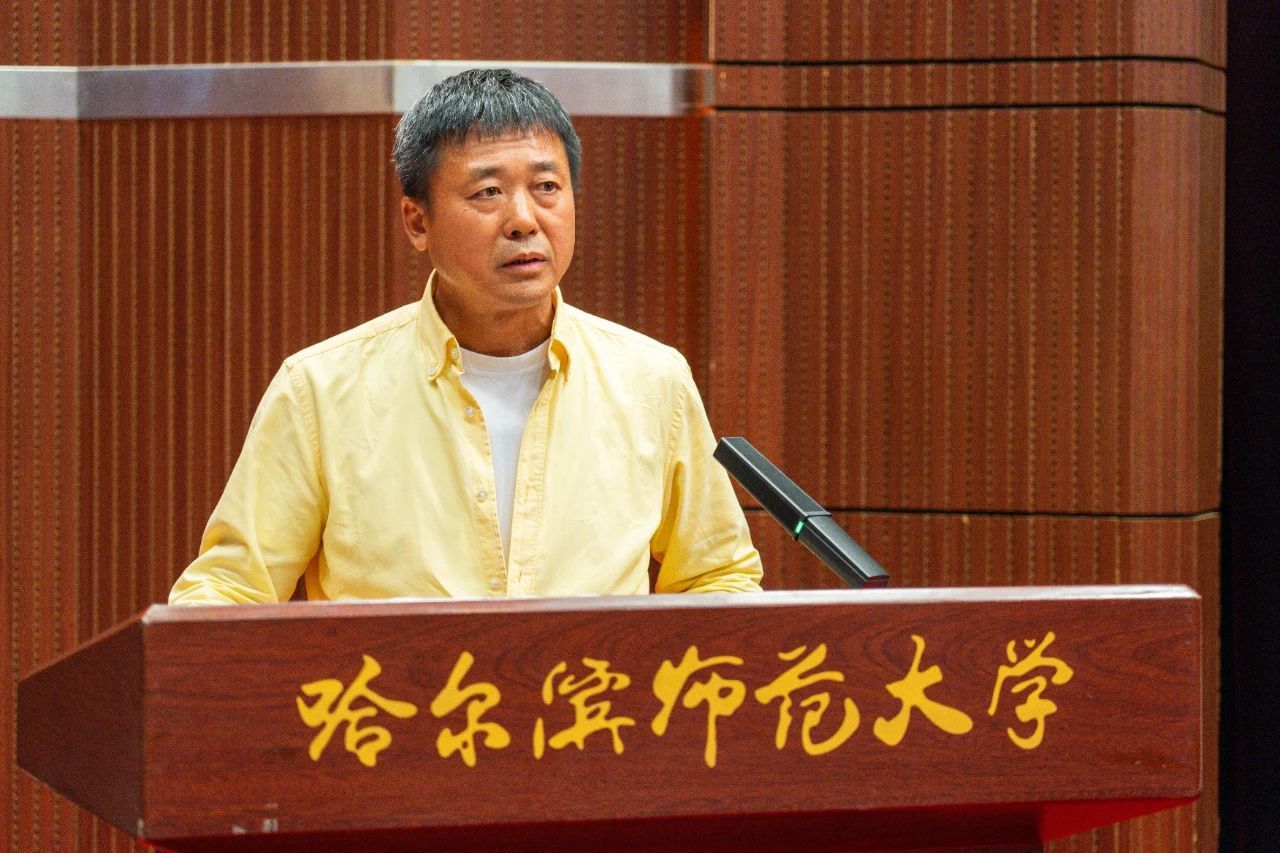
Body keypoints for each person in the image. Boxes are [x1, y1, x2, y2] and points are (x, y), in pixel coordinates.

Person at [169, 68, 763, 606]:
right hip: (395, 696)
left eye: (547, 187)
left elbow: (718, 578)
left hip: (586, 695)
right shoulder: (320, 392)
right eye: (488, 193)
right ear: (418, 221)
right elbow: (228, 591)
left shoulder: (651, 380)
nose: (524, 220)